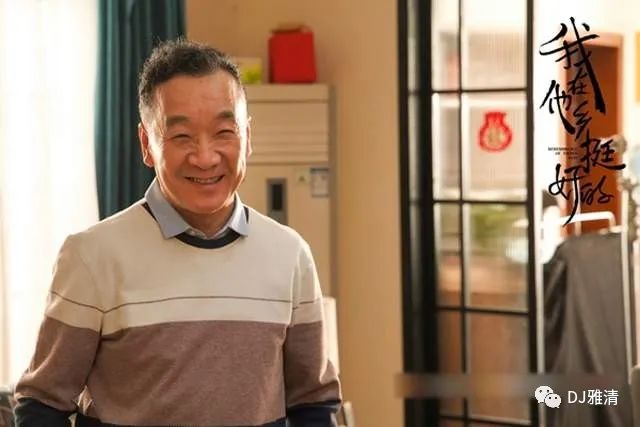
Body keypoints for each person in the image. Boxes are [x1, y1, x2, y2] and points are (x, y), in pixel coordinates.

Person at [13, 39, 341, 427]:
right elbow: (42, 406)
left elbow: (313, 404)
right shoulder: (91, 256)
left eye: (224, 131)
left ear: (248, 138)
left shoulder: (291, 255)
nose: (205, 157)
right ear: (146, 145)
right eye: (181, 136)